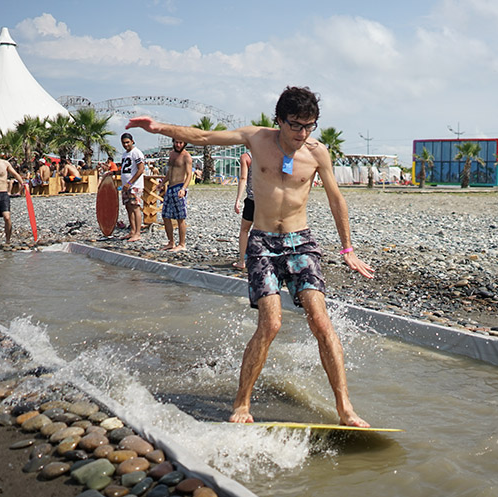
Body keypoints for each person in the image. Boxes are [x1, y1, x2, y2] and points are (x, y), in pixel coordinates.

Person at [127, 86, 375, 427]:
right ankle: (241, 404)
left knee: (321, 322)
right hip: (262, 244)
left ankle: (345, 409)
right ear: (279, 120)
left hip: (300, 242)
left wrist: (347, 249)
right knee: (271, 324)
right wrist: (158, 128)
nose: (302, 134)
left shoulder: (318, 153)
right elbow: (204, 136)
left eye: (309, 126)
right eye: (295, 125)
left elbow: (336, 200)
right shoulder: (256, 138)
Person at [161, 138, 193, 251]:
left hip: (179, 187)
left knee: (180, 217)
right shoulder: (172, 154)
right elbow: (170, 172)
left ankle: (182, 244)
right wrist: (162, 183)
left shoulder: (186, 156)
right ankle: (171, 242)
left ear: (184, 143)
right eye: (176, 142)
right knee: (165, 216)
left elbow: (189, 174)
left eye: (181, 142)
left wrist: (184, 188)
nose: (178, 145)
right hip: (170, 187)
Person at [119, 132, 146, 241]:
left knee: (135, 208)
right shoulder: (125, 154)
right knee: (128, 207)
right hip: (125, 186)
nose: (126, 145)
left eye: (127, 142)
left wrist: (130, 183)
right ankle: (132, 230)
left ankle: (138, 233)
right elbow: (125, 169)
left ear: (132, 141)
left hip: (134, 186)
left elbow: (141, 169)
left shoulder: (136, 153)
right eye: (124, 143)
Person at [233, 151, 254, 270]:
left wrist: (238, 200)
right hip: (267, 200)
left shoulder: (246, 157)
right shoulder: (268, 152)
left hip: (252, 199)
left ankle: (242, 261)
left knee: (245, 230)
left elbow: (243, 178)